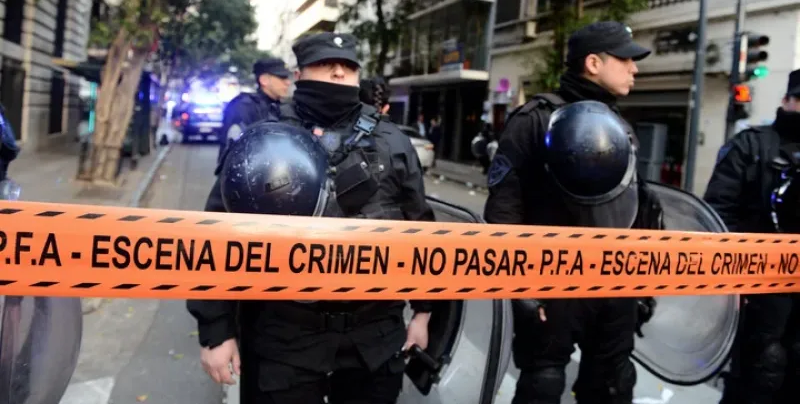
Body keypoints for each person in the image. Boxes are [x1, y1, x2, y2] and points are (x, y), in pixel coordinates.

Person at [187, 32, 434, 404]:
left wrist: (424, 313)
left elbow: (424, 235)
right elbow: (217, 236)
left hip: (374, 338)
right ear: (300, 73)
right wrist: (216, 332)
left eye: (348, 66)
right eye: (325, 64)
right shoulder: (264, 139)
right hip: (285, 337)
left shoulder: (393, 142)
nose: (338, 72)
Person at [484, 21, 663, 404]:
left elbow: (633, 209)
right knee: (543, 384)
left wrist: (643, 285)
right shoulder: (534, 119)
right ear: (594, 62)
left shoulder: (619, 125)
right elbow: (503, 212)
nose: (635, 68)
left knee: (613, 384)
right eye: (627, 59)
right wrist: (521, 290)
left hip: (615, 282)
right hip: (552, 281)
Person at [705, 69, 800, 404]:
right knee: (760, 373)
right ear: (786, 100)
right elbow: (718, 214)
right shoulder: (751, 145)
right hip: (761, 290)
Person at [218, 57, 291, 163]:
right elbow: (235, 151)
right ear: (264, 80)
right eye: (282, 77)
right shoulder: (243, 106)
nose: (288, 82)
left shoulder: (285, 107)